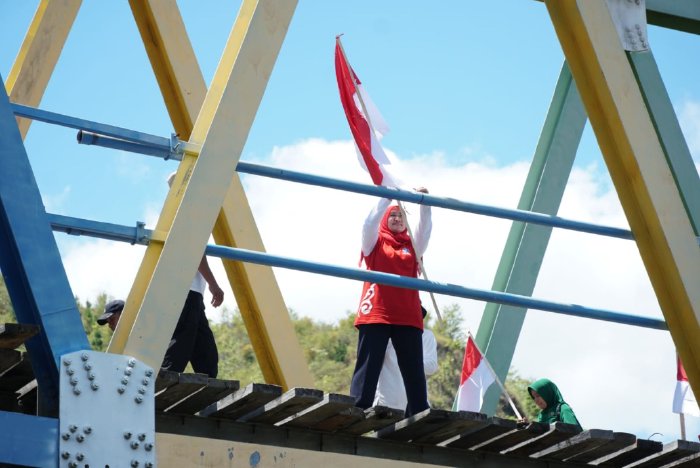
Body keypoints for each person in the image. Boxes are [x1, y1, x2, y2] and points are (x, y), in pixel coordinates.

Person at [350, 188, 432, 417]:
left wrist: (425, 204)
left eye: (402, 216)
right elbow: (368, 225)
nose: (397, 219)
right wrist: (385, 196)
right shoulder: (374, 244)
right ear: (386, 220)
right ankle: (359, 405)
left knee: (413, 366)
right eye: (393, 215)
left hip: (407, 313)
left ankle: (418, 410)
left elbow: (424, 231)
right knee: (369, 362)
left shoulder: (412, 246)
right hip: (377, 311)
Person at [162, 171, 225, 378]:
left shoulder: (180, 213)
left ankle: (208, 384)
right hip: (186, 290)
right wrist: (214, 285)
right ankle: (162, 384)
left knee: (204, 349)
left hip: (192, 292)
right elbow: (196, 252)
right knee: (182, 342)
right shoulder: (186, 213)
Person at [373, 305, 438, 411]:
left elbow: (432, 366)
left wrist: (411, 359)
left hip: (414, 404)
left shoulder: (426, 335)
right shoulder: (386, 335)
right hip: (386, 402)